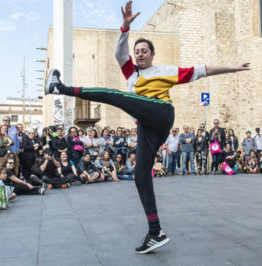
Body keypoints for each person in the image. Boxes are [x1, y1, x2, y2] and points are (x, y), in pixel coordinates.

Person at [44, 1, 250, 253]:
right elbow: (120, 53)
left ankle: (60, 88)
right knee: (141, 176)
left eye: (144, 51)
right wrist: (124, 27)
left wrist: (234, 68)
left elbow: (203, 70)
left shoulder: (165, 70)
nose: (140, 54)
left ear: (152, 54)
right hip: (148, 128)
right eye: (137, 51)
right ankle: (156, 232)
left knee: (114, 96)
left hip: (161, 113)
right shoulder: (132, 74)